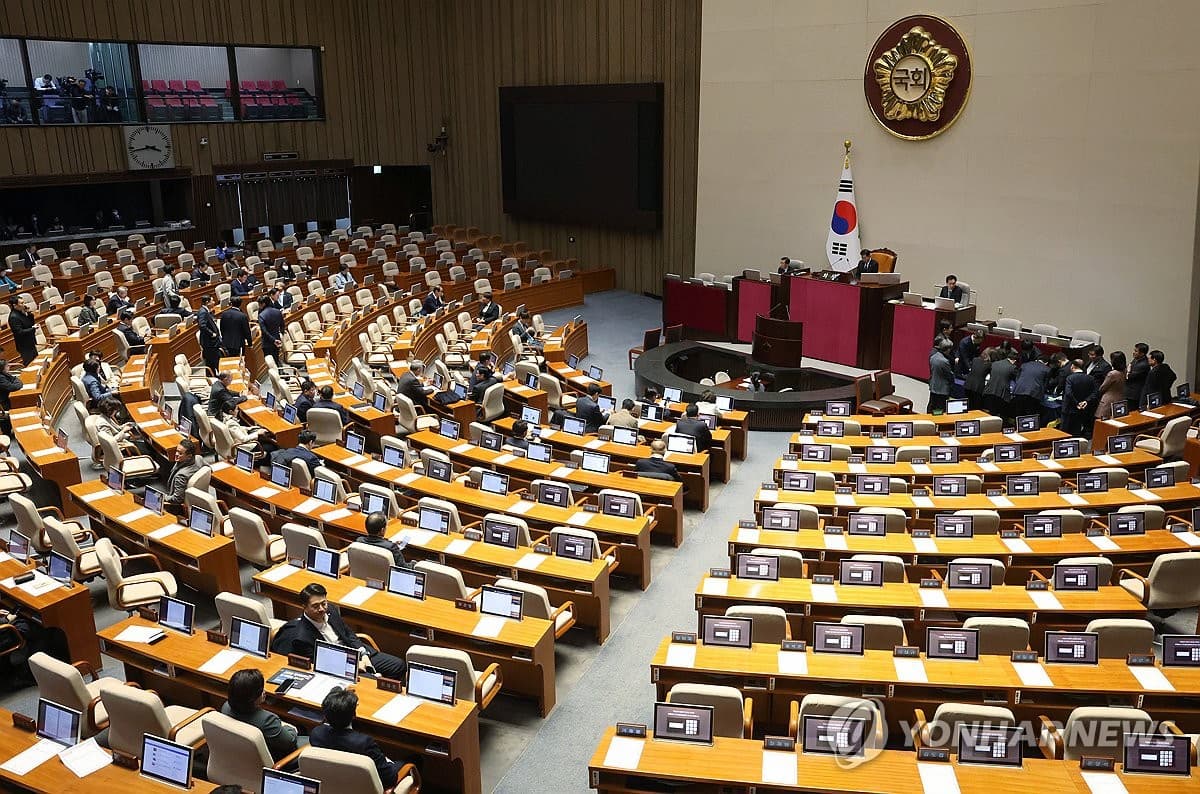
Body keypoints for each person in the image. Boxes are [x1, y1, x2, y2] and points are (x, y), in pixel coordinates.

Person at [271, 582, 406, 679]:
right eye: (315, 606)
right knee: (373, 682)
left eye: (324, 603)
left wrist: (363, 654)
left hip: (356, 652)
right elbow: (323, 662)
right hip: (338, 665)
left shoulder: (331, 610)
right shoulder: (301, 637)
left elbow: (348, 633)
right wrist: (353, 664)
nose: (322, 609)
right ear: (304, 607)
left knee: (398, 666)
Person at [310, 688, 402, 790]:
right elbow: (390, 778)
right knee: (415, 759)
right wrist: (388, 762)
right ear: (354, 715)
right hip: (364, 789)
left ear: (325, 716)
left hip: (331, 785)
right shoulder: (364, 744)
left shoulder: (316, 734)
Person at [221, 669, 299, 762]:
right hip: (275, 759)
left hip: (239, 757)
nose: (264, 691)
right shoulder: (267, 720)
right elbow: (290, 741)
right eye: (261, 690)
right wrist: (291, 728)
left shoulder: (225, 707)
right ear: (253, 698)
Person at [163, 438, 203, 512]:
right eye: (177, 451)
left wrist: (163, 497)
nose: (176, 454)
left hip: (175, 506)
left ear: (189, 456)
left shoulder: (181, 476)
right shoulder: (198, 458)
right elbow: (208, 468)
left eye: (180, 453)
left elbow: (177, 499)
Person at [1011, 354, 1051, 422]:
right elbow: (1045, 385)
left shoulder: (1025, 365)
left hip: (1019, 391)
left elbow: (1017, 377)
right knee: (1030, 416)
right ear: (1046, 363)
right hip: (1034, 394)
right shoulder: (1047, 369)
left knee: (1018, 414)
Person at [1062, 359, 1097, 436]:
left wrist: (1077, 403)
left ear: (1073, 366)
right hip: (1083, 409)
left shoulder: (1070, 378)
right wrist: (1086, 401)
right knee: (1077, 431)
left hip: (1069, 409)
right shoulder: (1090, 378)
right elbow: (1095, 393)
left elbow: (1068, 393)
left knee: (1065, 433)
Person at [983, 347, 1018, 420]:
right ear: (1014, 361)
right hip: (1002, 394)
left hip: (989, 390)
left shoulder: (995, 363)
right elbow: (1016, 379)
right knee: (1003, 414)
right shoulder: (1012, 367)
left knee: (991, 413)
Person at [1095, 351, 1127, 421]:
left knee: (1101, 423)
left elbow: (1102, 388)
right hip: (1120, 398)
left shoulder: (1112, 374)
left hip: (1108, 401)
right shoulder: (1124, 371)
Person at [927, 339, 954, 413]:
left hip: (933, 385)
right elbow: (949, 375)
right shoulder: (944, 361)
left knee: (932, 404)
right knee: (940, 408)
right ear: (948, 349)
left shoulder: (933, 356)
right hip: (942, 388)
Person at [197, 294, 223, 372]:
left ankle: (213, 377)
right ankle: (214, 378)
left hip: (211, 343)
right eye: (212, 301)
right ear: (207, 302)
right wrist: (212, 334)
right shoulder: (203, 312)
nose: (214, 302)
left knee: (211, 363)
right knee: (212, 362)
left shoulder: (206, 311)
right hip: (209, 343)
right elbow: (202, 326)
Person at [7, 297, 36, 366]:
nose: (24, 304)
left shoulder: (21, 312)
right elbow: (19, 332)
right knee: (30, 365)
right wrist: (33, 328)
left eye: (24, 302)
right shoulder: (13, 317)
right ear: (15, 305)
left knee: (36, 362)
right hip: (24, 345)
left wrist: (29, 313)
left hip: (30, 342)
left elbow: (30, 324)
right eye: (22, 303)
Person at [258, 293, 284, 364]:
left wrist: (273, 340)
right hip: (277, 340)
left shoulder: (261, 315)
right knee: (276, 358)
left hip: (267, 342)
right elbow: (282, 325)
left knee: (270, 363)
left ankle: (276, 374)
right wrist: (280, 336)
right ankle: (279, 372)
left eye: (259, 304)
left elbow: (264, 331)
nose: (259, 306)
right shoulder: (278, 311)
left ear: (263, 304)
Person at [0, 359, 22, 435]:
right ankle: (7, 433)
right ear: (2, 368)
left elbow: (15, 380)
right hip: (3, 403)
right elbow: (13, 387)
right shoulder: (1, 378)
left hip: (6, 398)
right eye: (7, 365)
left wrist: (17, 381)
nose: (9, 366)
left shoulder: (4, 374)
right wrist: (18, 382)